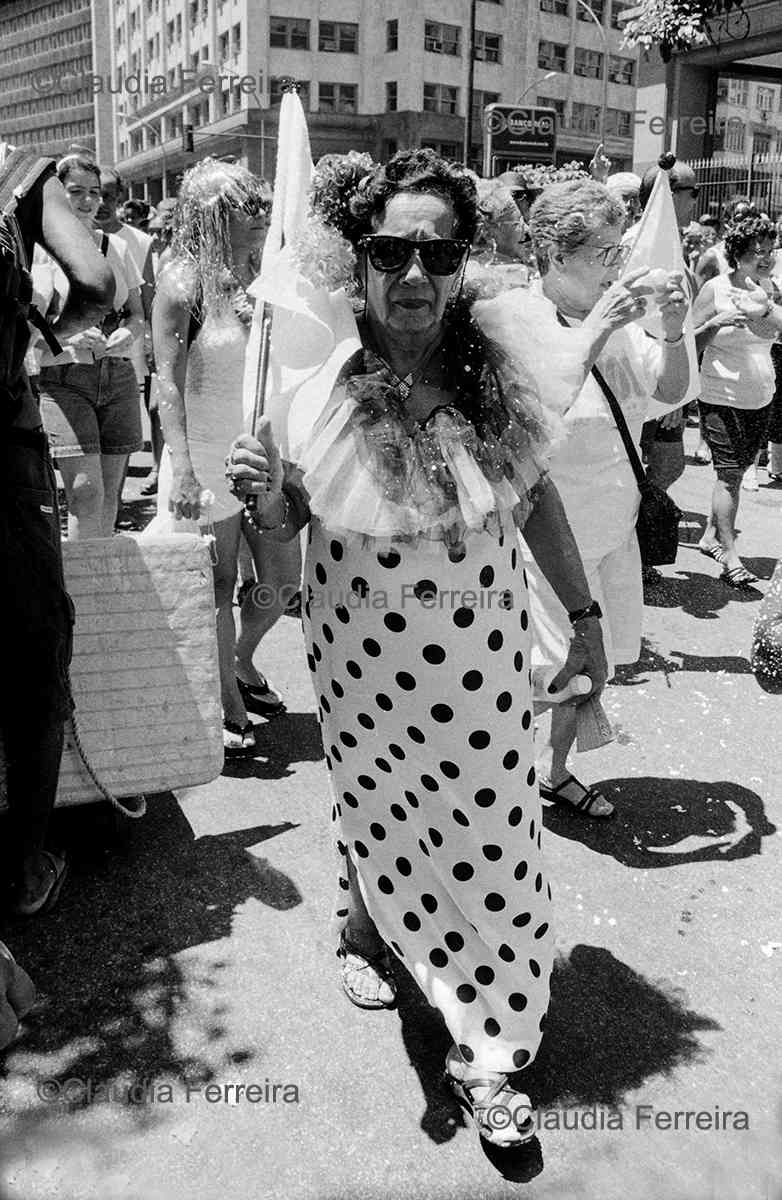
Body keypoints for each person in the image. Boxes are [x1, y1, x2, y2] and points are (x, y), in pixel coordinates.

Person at [227, 149, 609, 1148]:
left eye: (435, 253)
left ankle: (489, 1047)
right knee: (372, 807)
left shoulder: (492, 369)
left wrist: (585, 619)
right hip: (355, 659)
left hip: (477, 660)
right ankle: (363, 926)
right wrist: (269, 508)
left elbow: (537, 502)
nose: (413, 275)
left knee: (495, 845)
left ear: (462, 261)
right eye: (391, 250)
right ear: (358, 258)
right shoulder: (312, 378)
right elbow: (276, 564)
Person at [477, 178, 689, 818]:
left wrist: (675, 331)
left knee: (587, 670)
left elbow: (671, 394)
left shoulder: (622, 321)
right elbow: (534, 417)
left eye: (618, 249)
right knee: (540, 670)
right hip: (544, 541)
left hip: (613, 529)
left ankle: (554, 770)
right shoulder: (514, 318)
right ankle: (495, 778)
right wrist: (598, 326)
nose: (618, 265)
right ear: (552, 252)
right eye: (604, 253)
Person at [0, 139, 115, 920]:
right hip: (3, 446)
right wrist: (39, 334)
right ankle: (21, 867)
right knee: (35, 654)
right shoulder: (14, 172)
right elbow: (96, 284)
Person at [153, 159, 293, 755]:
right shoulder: (182, 281)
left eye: (262, 205)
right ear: (213, 214)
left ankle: (237, 660)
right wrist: (181, 466)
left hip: (259, 454)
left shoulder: (263, 275)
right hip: (204, 455)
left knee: (283, 582)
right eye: (247, 206)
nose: (261, 216)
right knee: (215, 585)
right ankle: (226, 704)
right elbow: (167, 382)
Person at [33, 155, 144, 538]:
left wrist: (127, 335)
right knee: (84, 493)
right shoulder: (38, 250)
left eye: (94, 193)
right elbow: (27, 329)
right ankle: (79, 596)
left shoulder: (116, 247)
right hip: (63, 380)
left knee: (110, 496)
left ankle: (102, 587)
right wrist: (70, 334)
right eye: (76, 191)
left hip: (117, 377)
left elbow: (136, 315)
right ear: (57, 195)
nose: (87, 201)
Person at [693, 214, 782, 588]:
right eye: (754, 252)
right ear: (737, 254)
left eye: (768, 251)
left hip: (761, 395)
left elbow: (777, 332)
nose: (763, 258)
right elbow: (687, 343)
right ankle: (730, 556)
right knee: (729, 476)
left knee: (742, 467)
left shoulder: (773, 289)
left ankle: (711, 536)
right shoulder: (715, 289)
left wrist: (764, 309)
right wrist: (716, 324)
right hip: (720, 395)